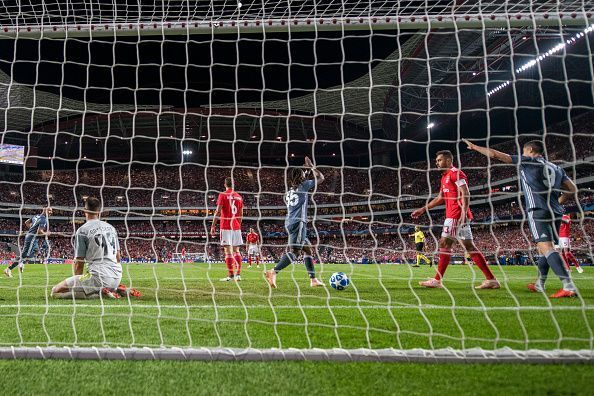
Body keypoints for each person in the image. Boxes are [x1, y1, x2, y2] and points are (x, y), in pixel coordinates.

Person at [463, 138, 579, 298]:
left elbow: (496, 155)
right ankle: (540, 283)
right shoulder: (557, 167)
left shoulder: (528, 161)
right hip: (556, 212)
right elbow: (572, 189)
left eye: (524, 151)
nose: (522, 154)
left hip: (538, 209)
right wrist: (558, 202)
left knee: (547, 248)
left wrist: (475, 147)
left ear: (530, 150)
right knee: (546, 247)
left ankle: (568, 286)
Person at [411, 150, 500, 289]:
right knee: (469, 247)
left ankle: (437, 280)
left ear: (448, 160)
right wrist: (423, 209)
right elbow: (440, 198)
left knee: (444, 244)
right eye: (436, 161)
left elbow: (466, 192)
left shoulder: (456, 173)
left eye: (439, 160)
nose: (437, 163)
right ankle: (491, 279)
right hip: (454, 214)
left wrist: (463, 212)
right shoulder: (444, 176)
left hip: (456, 214)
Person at [264, 157, 325, 288]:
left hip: (289, 222)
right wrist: (311, 167)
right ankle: (273, 271)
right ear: (301, 177)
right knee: (295, 252)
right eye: (303, 174)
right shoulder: (304, 185)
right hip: (299, 223)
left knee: (308, 250)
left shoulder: (287, 193)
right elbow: (321, 178)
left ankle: (313, 280)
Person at [51, 197, 122, 299]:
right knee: (90, 284)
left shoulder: (83, 230)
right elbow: (118, 257)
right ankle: (113, 289)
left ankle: (98, 294)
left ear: (84, 210)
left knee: (55, 292)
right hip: (117, 277)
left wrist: (77, 282)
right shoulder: (111, 228)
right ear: (99, 211)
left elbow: (79, 263)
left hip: (99, 277)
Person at [211, 177, 244, 282]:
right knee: (236, 251)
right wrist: (238, 225)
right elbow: (241, 214)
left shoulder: (223, 195)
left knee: (228, 252)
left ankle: (230, 275)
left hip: (226, 225)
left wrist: (213, 226)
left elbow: (217, 211)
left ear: (225, 184)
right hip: (236, 226)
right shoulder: (239, 196)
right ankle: (238, 275)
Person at [4, 207, 52, 278]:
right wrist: (46, 233)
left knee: (34, 251)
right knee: (25, 255)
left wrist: (32, 228)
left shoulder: (36, 216)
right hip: (32, 238)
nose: (51, 212)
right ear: (44, 210)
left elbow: (26, 222)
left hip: (30, 236)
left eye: (51, 211)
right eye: (49, 211)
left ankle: (21, 264)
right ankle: (9, 268)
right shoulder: (43, 219)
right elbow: (39, 231)